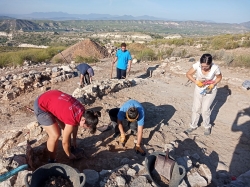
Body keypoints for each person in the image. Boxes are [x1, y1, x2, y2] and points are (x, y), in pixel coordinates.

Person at [33, 90, 100, 162]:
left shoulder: (83, 112)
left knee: (66, 129)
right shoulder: (72, 119)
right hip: (41, 105)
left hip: (51, 98)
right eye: (86, 127)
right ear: (83, 121)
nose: (85, 128)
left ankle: (70, 147)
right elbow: (64, 142)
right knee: (55, 135)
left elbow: (76, 124)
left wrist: (74, 140)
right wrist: (69, 155)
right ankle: (51, 160)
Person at [185, 54, 222, 135]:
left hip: (210, 90)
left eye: (206, 66)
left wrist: (213, 84)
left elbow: (219, 77)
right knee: (196, 108)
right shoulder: (197, 65)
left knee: (205, 109)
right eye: (202, 66)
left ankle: (207, 126)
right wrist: (196, 82)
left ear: (210, 64)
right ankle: (193, 125)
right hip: (198, 89)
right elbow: (188, 74)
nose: (204, 68)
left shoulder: (215, 68)